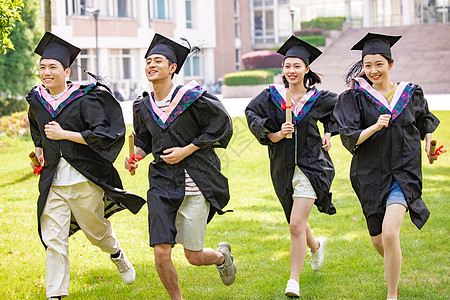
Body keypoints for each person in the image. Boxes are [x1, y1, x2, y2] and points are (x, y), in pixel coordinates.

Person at [26, 32, 146, 300]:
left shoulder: (86, 98)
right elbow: (36, 124)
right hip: (52, 181)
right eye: (42, 67)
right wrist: (38, 147)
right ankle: (56, 294)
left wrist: (64, 134)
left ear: (66, 71)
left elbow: (106, 135)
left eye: (52, 67)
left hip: (83, 177)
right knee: (53, 239)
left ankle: (116, 252)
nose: (46, 72)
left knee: (96, 232)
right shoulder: (37, 99)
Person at [124, 33, 236, 300]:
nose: (151, 65)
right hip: (162, 184)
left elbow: (222, 126)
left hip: (195, 183)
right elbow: (144, 141)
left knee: (194, 257)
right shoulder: (142, 106)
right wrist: (136, 156)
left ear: (172, 67)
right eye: (148, 61)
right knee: (161, 252)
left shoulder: (193, 98)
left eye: (158, 61)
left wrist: (187, 150)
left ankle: (221, 257)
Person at [333, 32, 440, 300]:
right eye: (367, 65)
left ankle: (392, 295)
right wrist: (375, 126)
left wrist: (429, 143)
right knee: (379, 241)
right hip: (369, 174)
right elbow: (349, 137)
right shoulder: (355, 97)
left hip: (404, 171)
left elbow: (424, 119)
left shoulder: (409, 93)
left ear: (390, 64)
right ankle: (394, 266)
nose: (373, 70)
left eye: (379, 64)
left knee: (391, 233)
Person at [245, 35, 338, 297]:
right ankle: (316, 246)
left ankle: (293, 281)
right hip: (282, 167)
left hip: (312, 166)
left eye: (297, 66)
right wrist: (274, 135)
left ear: (307, 69)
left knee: (296, 224)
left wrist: (329, 132)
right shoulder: (271, 96)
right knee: (296, 218)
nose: (291, 71)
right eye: (287, 66)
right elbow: (251, 115)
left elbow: (340, 112)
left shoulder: (318, 98)